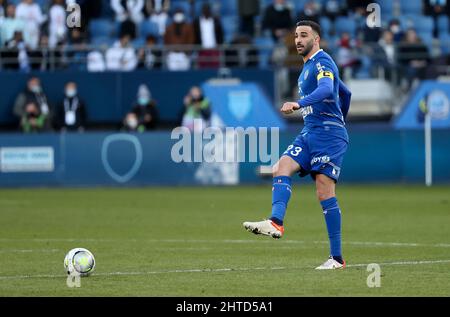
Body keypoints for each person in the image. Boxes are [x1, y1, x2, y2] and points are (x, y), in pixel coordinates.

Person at [243, 20, 352, 270]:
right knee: (283, 166)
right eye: (296, 36)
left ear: (317, 40)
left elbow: (327, 89)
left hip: (328, 135)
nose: (298, 40)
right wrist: (340, 116)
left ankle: (336, 258)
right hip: (310, 132)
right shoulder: (306, 68)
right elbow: (345, 93)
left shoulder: (323, 61)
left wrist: (301, 104)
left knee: (324, 191)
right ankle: (276, 222)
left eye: (304, 35)